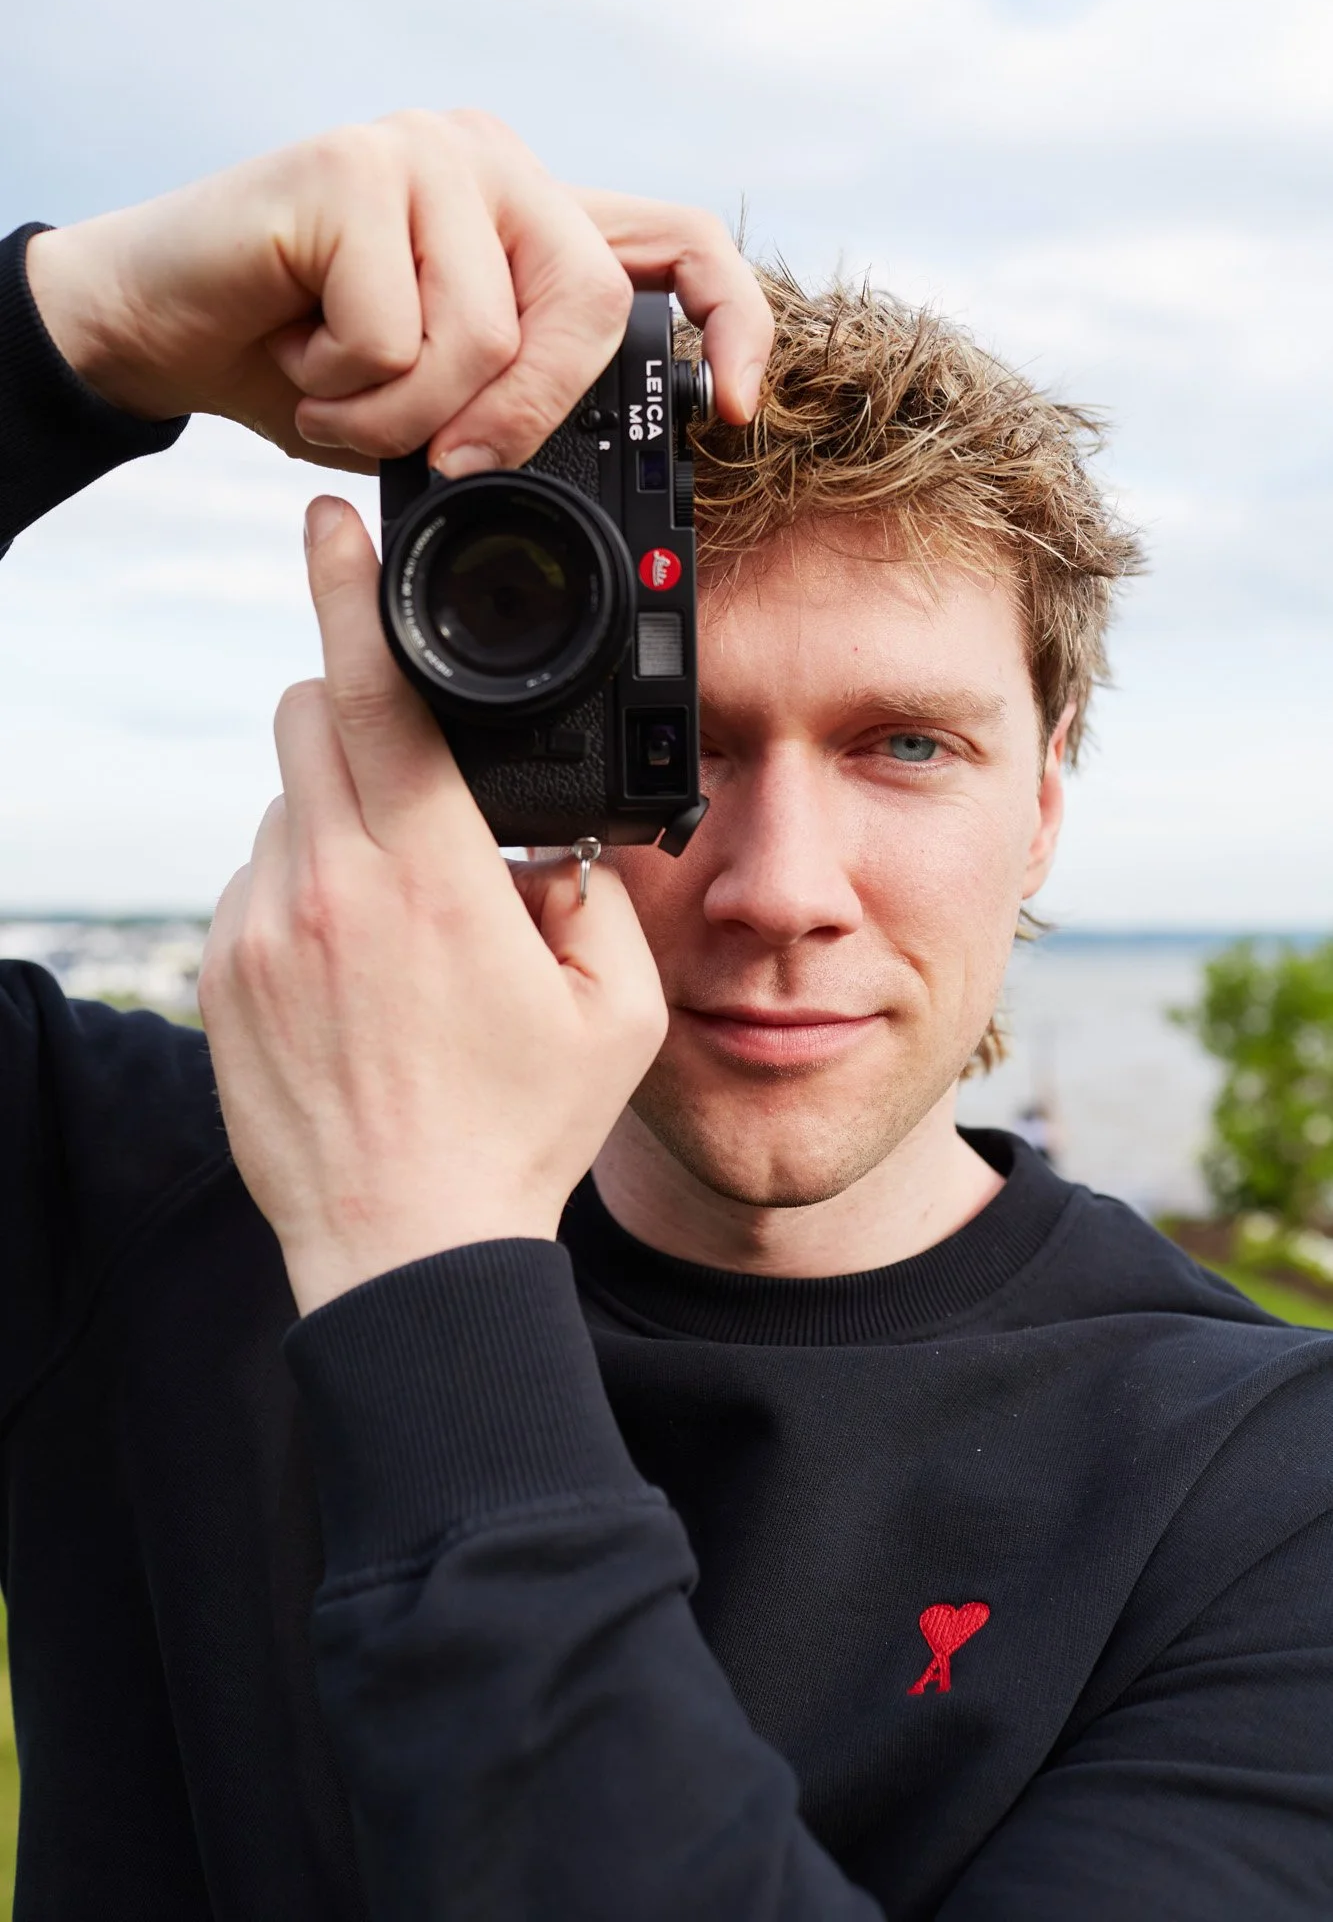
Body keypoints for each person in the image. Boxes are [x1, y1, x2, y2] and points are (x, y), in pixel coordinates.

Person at [3, 111, 1333, 1922]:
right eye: (672, 741)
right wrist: (72, 334)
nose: (779, 882)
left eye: (907, 746)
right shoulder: (155, 1204)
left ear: (1045, 797)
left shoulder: (1263, 1493)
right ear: (492, 731)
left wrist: (421, 1273)